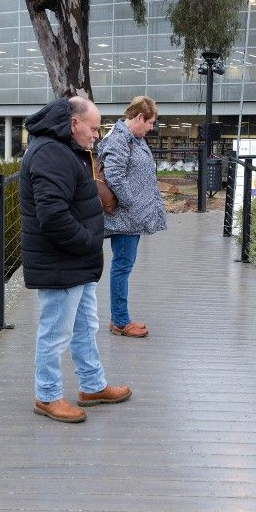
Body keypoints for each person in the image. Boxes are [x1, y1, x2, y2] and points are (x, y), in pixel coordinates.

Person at [19, 93, 132, 423]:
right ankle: (48, 395)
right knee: (55, 331)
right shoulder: (50, 153)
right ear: (74, 123)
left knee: (85, 326)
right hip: (61, 261)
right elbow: (52, 217)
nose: (97, 135)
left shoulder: (65, 148)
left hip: (75, 261)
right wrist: (87, 242)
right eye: (94, 128)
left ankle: (93, 385)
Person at [98, 96, 167, 338]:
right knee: (122, 266)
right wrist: (134, 205)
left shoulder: (133, 138)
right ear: (139, 117)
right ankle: (120, 321)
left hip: (131, 217)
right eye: (150, 123)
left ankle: (119, 317)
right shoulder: (119, 139)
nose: (151, 127)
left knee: (123, 265)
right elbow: (115, 177)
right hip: (125, 219)